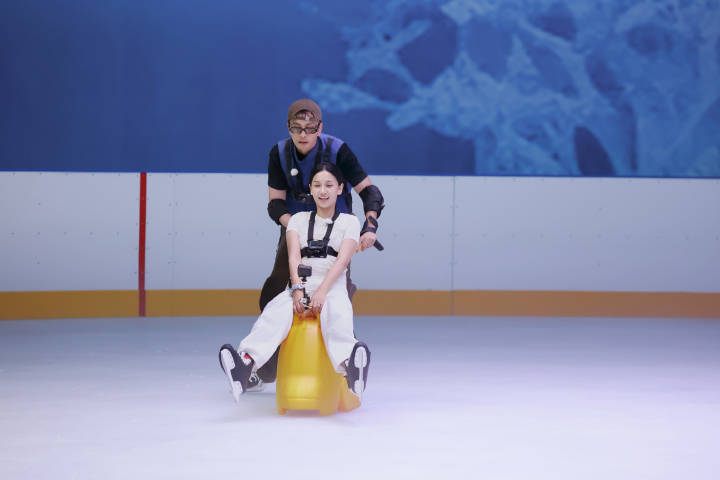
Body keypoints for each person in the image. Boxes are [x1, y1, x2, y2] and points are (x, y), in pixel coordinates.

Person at [255, 98, 384, 386]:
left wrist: (370, 224)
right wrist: (297, 228)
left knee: (337, 298)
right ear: (288, 128)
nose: (303, 134)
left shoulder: (338, 150)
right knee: (274, 292)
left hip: (336, 233)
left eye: (310, 128)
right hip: (295, 229)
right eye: (296, 128)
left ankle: (346, 368)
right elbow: (275, 204)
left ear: (320, 128)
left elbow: (370, 192)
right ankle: (264, 368)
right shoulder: (279, 153)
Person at [219, 162, 370, 401]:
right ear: (310, 188)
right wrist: (298, 290)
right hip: (302, 282)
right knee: (274, 312)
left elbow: (342, 261)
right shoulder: (297, 220)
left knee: (337, 312)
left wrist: (322, 291)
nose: (323, 191)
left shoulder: (349, 222)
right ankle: (245, 365)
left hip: (332, 284)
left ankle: (350, 367)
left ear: (340, 188)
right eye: (317, 185)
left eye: (329, 185)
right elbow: (293, 257)